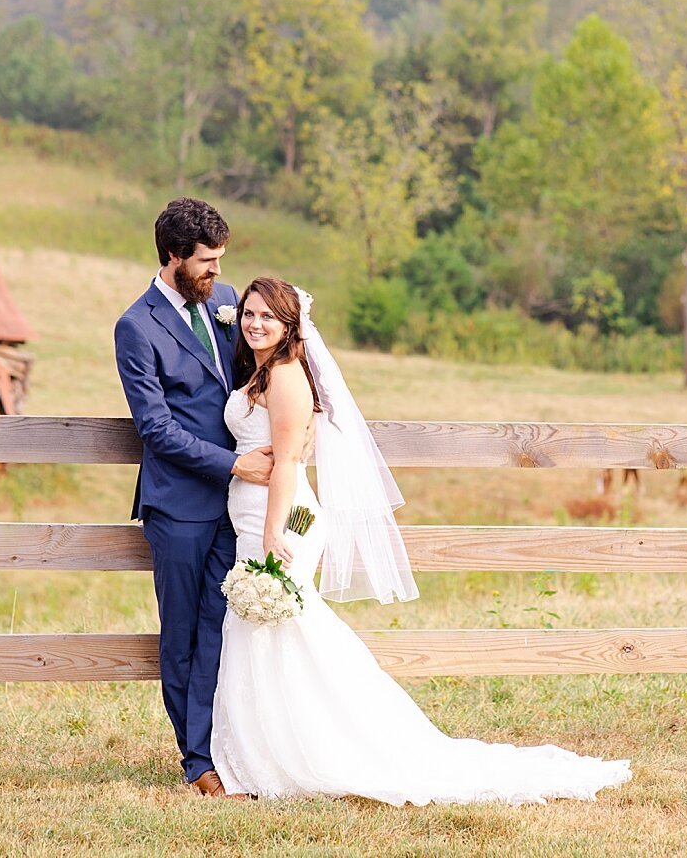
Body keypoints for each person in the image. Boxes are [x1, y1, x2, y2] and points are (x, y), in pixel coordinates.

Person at [210, 276, 632, 805]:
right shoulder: (263, 373)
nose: (254, 323)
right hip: (258, 514)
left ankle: (317, 748)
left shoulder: (288, 377)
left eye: (267, 316)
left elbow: (290, 462)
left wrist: (275, 531)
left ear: (290, 325)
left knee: (281, 625)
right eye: (248, 313)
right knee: (267, 629)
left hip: (282, 518)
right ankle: (265, 750)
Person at [113, 198, 274, 798]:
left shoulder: (227, 302)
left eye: (220, 260)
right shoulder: (136, 327)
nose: (216, 271)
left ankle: (230, 748)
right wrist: (234, 463)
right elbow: (155, 429)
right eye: (206, 262)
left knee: (222, 627)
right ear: (174, 257)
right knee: (180, 635)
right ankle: (197, 763)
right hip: (179, 505)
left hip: (239, 506)